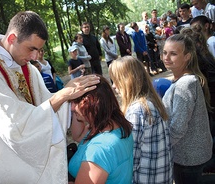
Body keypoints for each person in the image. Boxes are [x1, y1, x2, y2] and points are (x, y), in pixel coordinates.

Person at [0, 11, 100, 183]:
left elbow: (45, 106)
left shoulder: (26, 67)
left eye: (39, 50)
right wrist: (62, 96)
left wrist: (74, 100)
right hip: (2, 164)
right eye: (31, 48)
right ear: (11, 38)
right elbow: (14, 128)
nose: (34, 57)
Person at [109, 56, 173, 184]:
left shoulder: (137, 110)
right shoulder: (151, 101)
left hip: (146, 178)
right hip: (160, 176)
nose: (114, 86)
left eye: (116, 81)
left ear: (128, 80)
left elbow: (131, 157)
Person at [162, 34, 213, 184]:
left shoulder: (185, 84)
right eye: (164, 52)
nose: (166, 57)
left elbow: (178, 127)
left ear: (187, 57)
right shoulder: (184, 80)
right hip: (189, 155)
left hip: (188, 159)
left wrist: (161, 146)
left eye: (173, 54)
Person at [68, 75, 133, 184]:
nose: (71, 107)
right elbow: (78, 136)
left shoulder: (99, 149)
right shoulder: (115, 126)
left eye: (74, 101)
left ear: (88, 102)